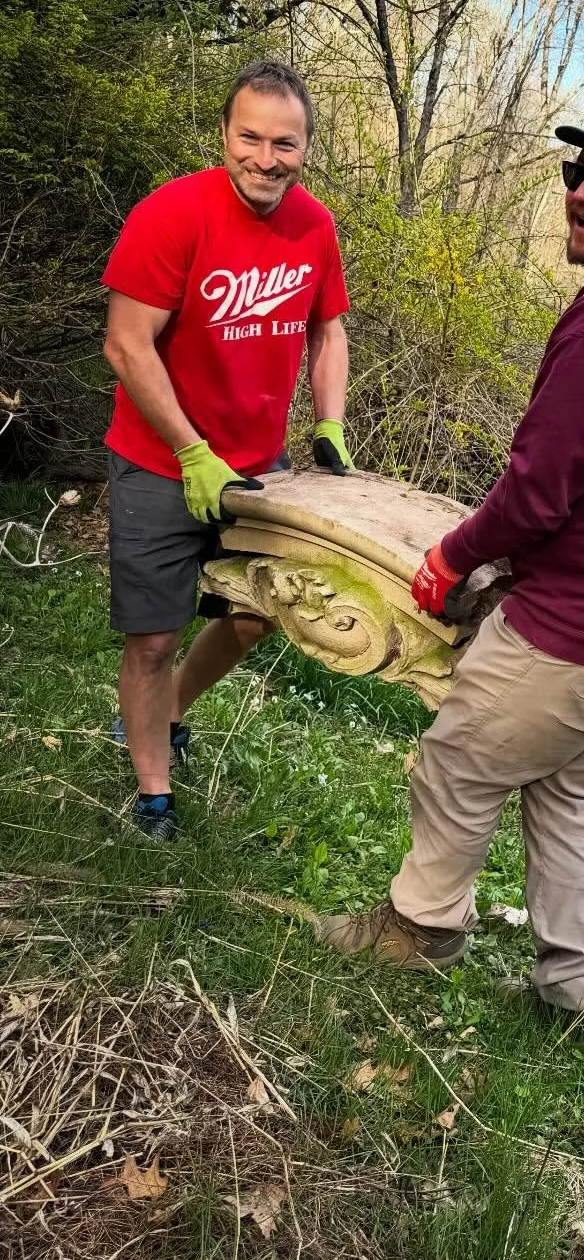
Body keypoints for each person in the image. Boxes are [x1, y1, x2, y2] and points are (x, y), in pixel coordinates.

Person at [318, 105, 584, 1045]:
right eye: (575, 174)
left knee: (463, 755)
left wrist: (452, 556)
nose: (582, 194)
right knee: (562, 780)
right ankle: (581, 990)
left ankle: (419, 931)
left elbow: (536, 496)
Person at [103, 59, 353, 842]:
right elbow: (126, 344)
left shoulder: (313, 225)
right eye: (250, 137)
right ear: (224, 134)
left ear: (306, 147)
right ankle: (154, 793)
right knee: (153, 637)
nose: (265, 158)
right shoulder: (171, 215)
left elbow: (329, 327)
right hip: (158, 459)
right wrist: (190, 451)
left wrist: (330, 424)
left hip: (260, 463)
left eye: (286, 143)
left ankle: (169, 711)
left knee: (256, 616)